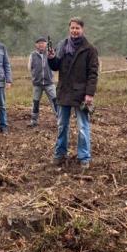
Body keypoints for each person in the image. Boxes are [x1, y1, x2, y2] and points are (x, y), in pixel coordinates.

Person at [48, 17, 99, 169]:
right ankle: (60, 154)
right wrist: (51, 58)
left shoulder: (90, 49)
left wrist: (89, 94)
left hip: (81, 94)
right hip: (64, 92)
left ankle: (84, 157)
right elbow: (56, 66)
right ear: (69, 29)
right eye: (72, 28)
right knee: (62, 125)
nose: (74, 31)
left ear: (82, 29)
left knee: (83, 127)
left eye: (77, 28)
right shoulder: (62, 45)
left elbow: (93, 73)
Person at [27, 37, 58, 127]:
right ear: (36, 45)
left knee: (55, 101)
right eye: (39, 43)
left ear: (46, 44)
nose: (41, 45)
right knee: (35, 102)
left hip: (50, 83)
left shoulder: (50, 54)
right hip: (37, 84)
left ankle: (59, 119)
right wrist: (35, 77)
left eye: (43, 43)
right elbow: (29, 68)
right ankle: (34, 121)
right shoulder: (32, 55)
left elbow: (55, 66)